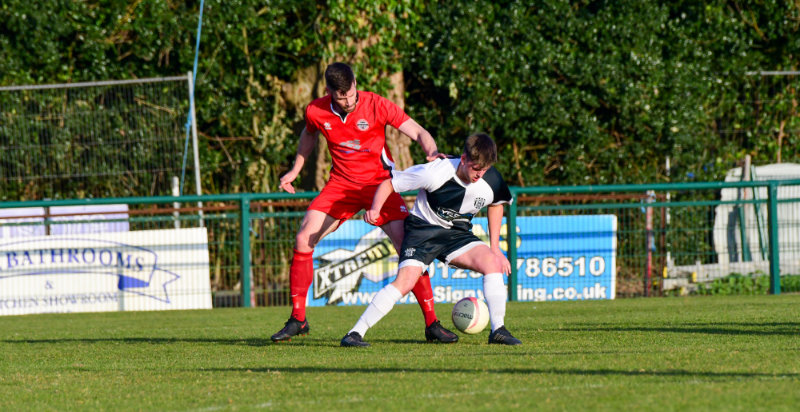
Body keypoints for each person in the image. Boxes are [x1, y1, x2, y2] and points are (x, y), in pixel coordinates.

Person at [271, 62, 458, 344]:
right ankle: (298, 319)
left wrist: (431, 152)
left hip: (380, 186)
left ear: (355, 83)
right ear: (329, 92)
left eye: (350, 94)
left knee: (410, 249)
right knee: (303, 238)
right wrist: (295, 170)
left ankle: (432, 324)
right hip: (341, 186)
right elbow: (309, 134)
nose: (348, 101)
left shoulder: (376, 104)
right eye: (341, 97)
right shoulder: (316, 111)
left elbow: (419, 132)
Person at [340, 133, 522, 347]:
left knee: (492, 263)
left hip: (457, 235)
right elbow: (389, 183)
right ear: (463, 159)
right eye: (476, 168)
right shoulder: (435, 172)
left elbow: (497, 203)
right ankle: (354, 333)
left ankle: (498, 330)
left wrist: (495, 249)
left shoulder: (491, 179)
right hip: (423, 232)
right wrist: (375, 209)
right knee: (405, 282)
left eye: (485, 169)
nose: (480, 174)